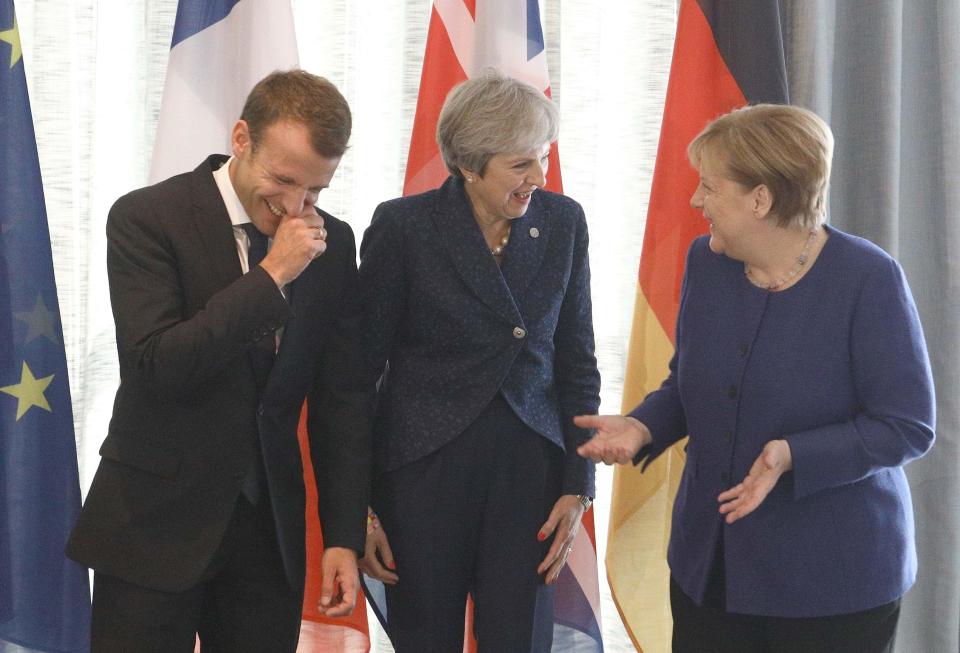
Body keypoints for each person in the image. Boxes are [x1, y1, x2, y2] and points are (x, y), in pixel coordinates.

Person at [577, 104, 935, 653]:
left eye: (709, 187)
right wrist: (642, 427)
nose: (696, 202)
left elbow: (906, 426)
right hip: (709, 570)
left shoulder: (868, 278)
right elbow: (688, 380)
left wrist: (791, 453)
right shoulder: (707, 262)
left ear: (760, 199)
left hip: (833, 585)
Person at [66, 70, 372, 652]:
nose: (295, 208)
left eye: (315, 192)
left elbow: (343, 400)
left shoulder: (333, 244)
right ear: (240, 138)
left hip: (266, 536)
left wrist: (342, 534)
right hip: (152, 524)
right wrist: (273, 274)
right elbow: (158, 364)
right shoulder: (147, 218)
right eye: (282, 181)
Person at [357, 71, 601, 652]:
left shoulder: (564, 222)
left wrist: (579, 484)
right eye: (521, 165)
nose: (538, 179)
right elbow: (356, 376)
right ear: (469, 164)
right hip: (424, 475)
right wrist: (359, 508)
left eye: (541, 159)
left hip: (530, 477)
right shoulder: (404, 227)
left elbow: (577, 363)